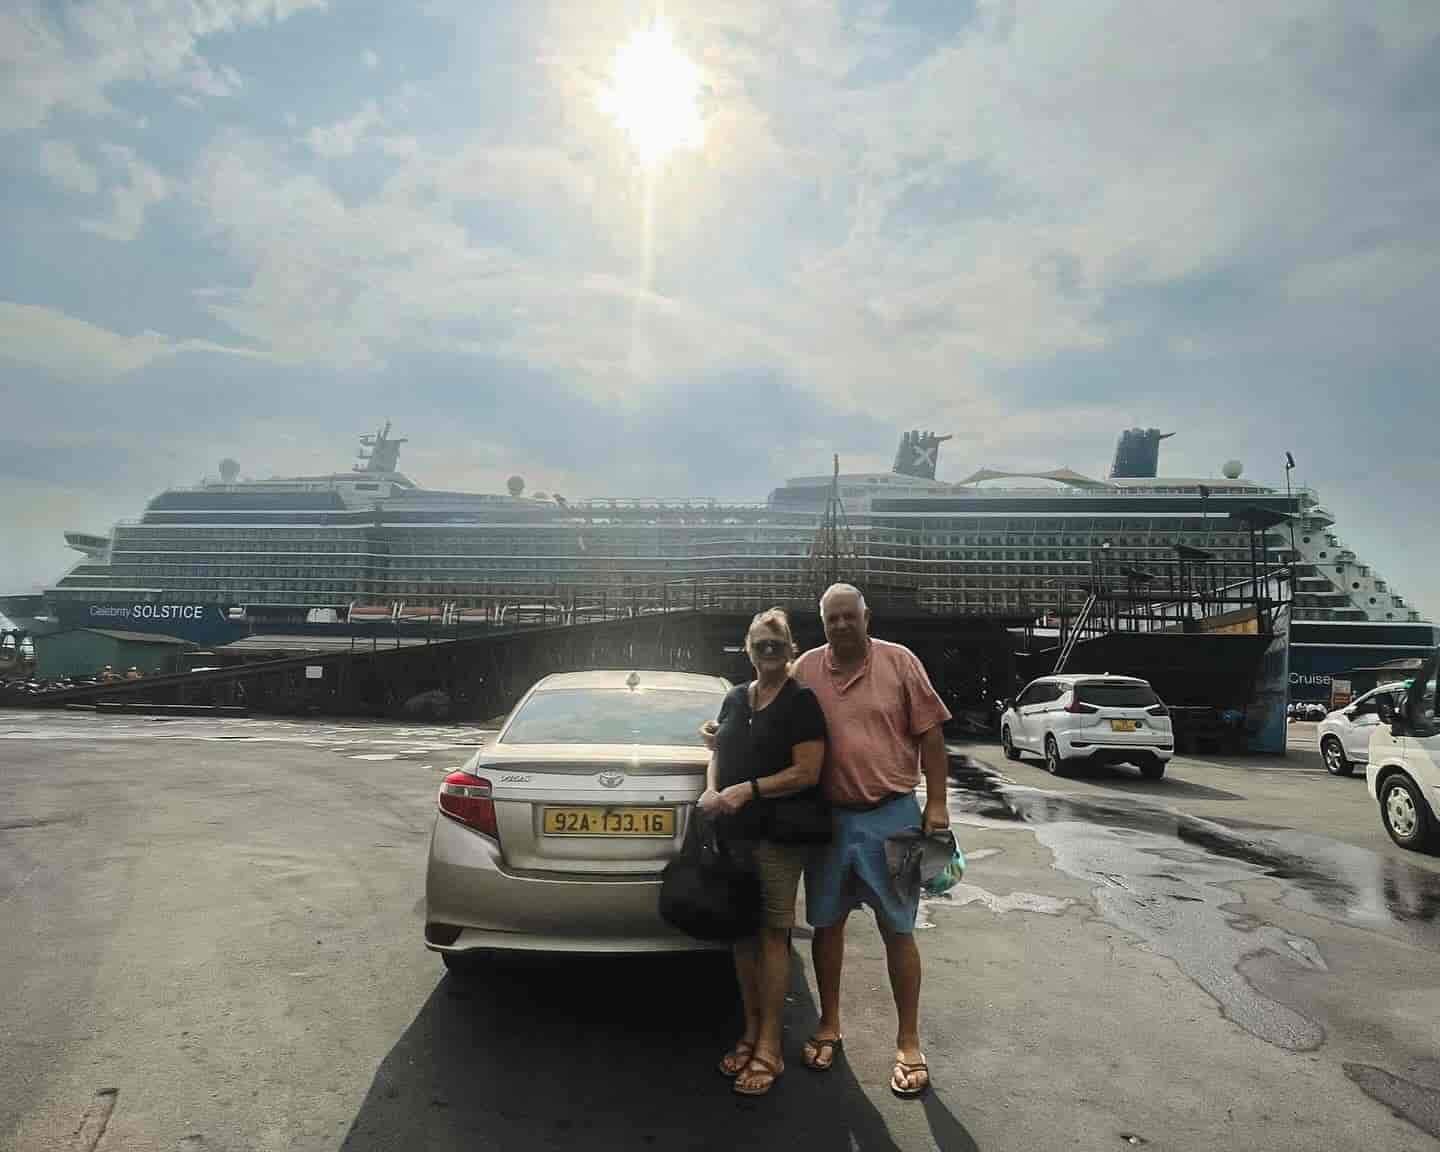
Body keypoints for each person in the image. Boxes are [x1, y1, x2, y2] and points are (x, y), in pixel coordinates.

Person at [792, 583, 951, 1099]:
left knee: (898, 929)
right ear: (823, 623)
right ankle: (829, 1025)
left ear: (867, 617)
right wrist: (723, 733)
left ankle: (908, 1042)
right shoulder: (807, 670)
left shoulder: (900, 662)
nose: (840, 625)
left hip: (895, 817)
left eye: (848, 616)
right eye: (831, 618)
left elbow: (930, 733)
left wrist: (937, 804)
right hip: (829, 823)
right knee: (826, 926)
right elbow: (773, 721)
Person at [698, 608, 828, 1097]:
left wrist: (746, 791)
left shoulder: (801, 701)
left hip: (778, 836)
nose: (767, 652)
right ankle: (749, 1031)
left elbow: (806, 773)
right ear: (748, 649)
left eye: (776, 644)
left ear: (790, 648)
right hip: (734, 835)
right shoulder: (735, 697)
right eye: (759, 645)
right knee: (742, 936)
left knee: (773, 935)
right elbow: (719, 754)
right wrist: (715, 793)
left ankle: (770, 1045)